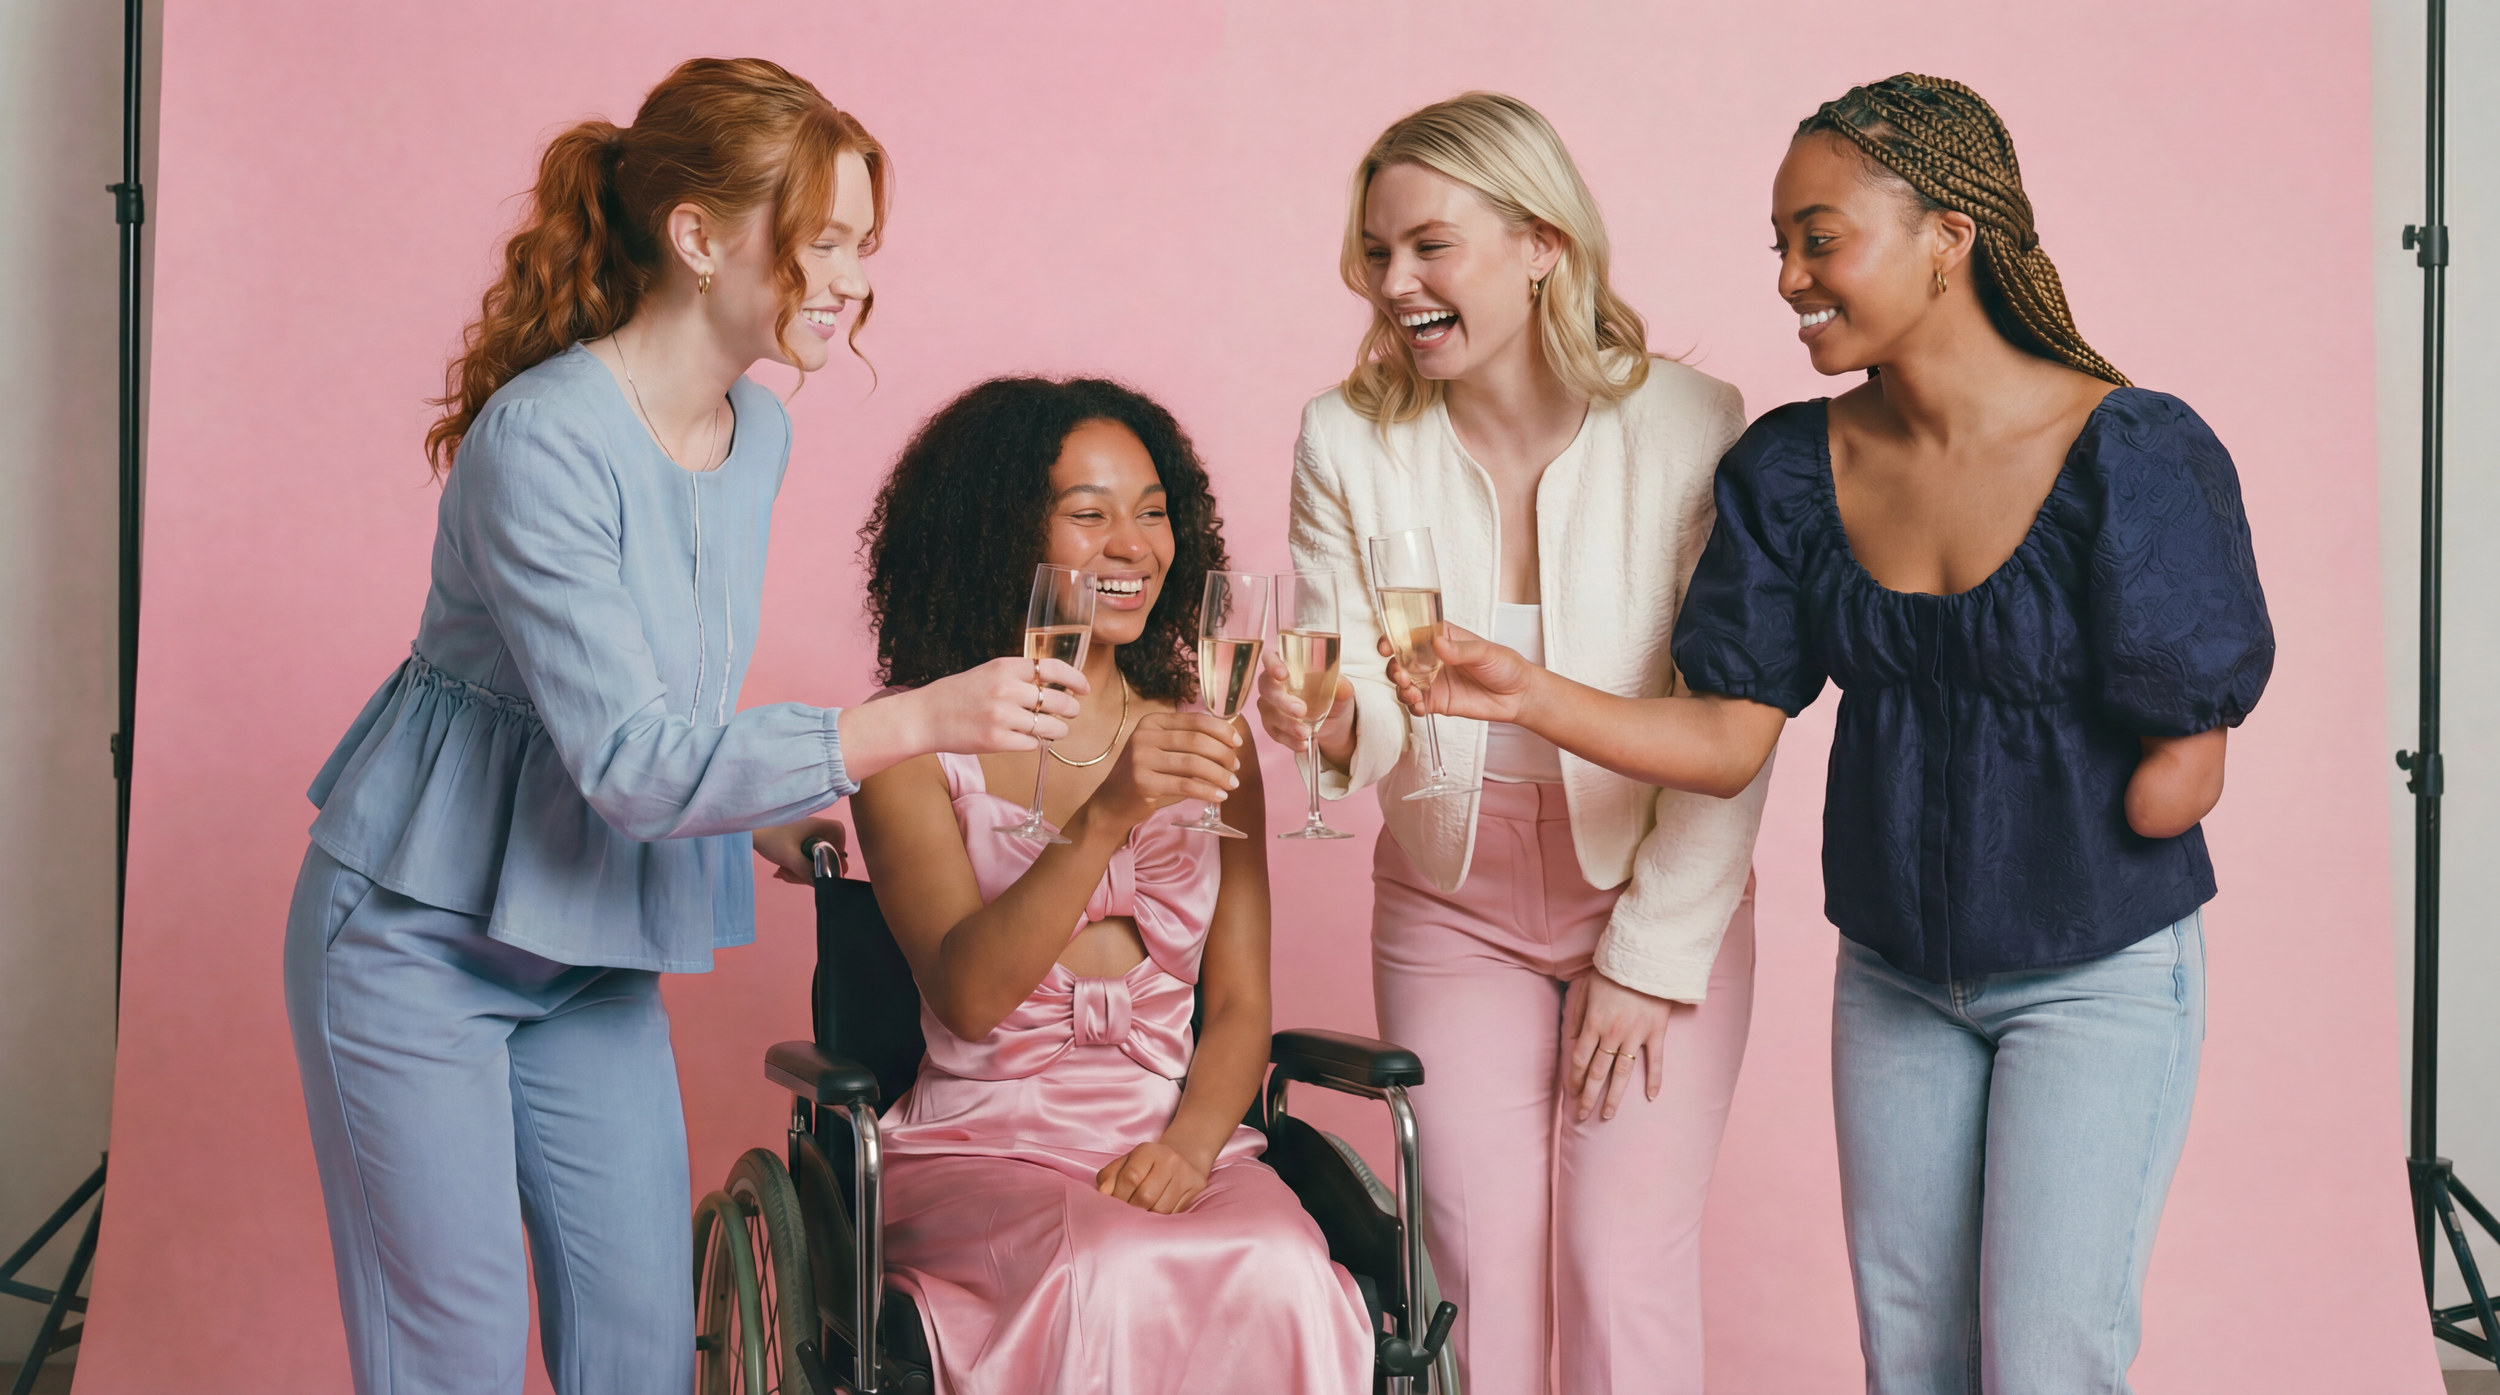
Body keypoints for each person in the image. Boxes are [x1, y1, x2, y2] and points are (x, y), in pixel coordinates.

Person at [1396, 75, 2273, 1395]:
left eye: (1822, 238)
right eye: (1782, 247)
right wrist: (1528, 693)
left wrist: (2092, 791)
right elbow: (1729, 735)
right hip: (1899, 976)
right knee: (1910, 1358)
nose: (1793, 277)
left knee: (2045, 1360)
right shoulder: (1793, 465)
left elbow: (2176, 781)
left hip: (2095, 975)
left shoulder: (2130, 451)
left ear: (1948, 236)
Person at [283, 60, 1089, 1395]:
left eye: (860, 247)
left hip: (589, 939)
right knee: (456, 1353)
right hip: (417, 941)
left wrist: (761, 803)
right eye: (820, 240)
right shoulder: (539, 438)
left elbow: (653, 686)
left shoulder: (754, 429)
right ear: (700, 235)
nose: (848, 278)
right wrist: (909, 722)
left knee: (643, 1347)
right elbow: (626, 760)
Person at [1251, 93, 1768, 1394]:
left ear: (1543, 243)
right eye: (1377, 253)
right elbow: (1359, 692)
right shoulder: (1347, 437)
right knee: (1472, 1272)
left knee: (1621, 1264)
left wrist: (1650, 954)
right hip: (1450, 903)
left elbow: (1728, 727)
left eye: (1431, 245)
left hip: (1648, 890)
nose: (1394, 283)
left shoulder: (1695, 425)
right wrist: (1325, 722)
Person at [848, 376, 1374, 1395]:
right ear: (1000, 537)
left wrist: (1187, 1147)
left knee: (1286, 1268)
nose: (1134, 546)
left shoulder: (1208, 742)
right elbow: (967, 996)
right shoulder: (912, 743)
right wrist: (1104, 818)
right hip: (982, 1150)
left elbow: (1239, 1009)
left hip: (1175, 1142)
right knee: (1106, 1271)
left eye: (1153, 512)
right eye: (1089, 516)